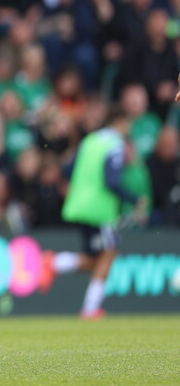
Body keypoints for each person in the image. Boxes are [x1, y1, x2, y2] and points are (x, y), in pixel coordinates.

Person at [40, 111, 146, 319]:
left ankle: (54, 263)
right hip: (100, 209)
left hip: (79, 204)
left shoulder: (90, 140)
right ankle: (89, 308)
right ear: (120, 122)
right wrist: (134, 200)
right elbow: (111, 181)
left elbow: (68, 168)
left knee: (96, 257)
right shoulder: (114, 144)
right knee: (109, 253)